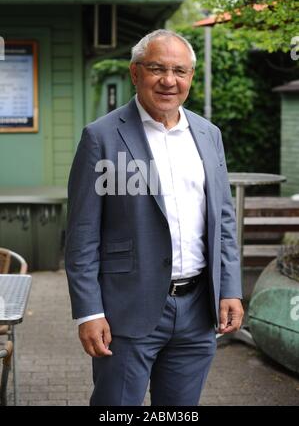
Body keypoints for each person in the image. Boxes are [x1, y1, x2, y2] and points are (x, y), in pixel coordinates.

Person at [65, 29, 244, 406]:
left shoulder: (209, 135)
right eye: (157, 68)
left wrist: (229, 288)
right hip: (125, 312)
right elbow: (83, 234)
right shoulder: (101, 137)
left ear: (191, 77)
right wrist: (88, 313)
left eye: (180, 70)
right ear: (135, 73)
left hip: (198, 311)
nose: (169, 80)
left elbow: (223, 220)